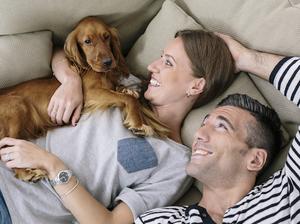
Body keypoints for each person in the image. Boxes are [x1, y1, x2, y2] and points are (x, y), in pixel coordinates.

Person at [0, 30, 236, 224]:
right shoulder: (124, 83)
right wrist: (70, 80)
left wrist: (52, 166)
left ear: (196, 86)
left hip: (16, 209)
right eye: (160, 56)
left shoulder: (176, 162)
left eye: (167, 62)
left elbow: (110, 222)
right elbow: (61, 49)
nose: (153, 66)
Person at [135, 34, 300, 224]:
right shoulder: (158, 220)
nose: (199, 134)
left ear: (254, 160)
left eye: (221, 126)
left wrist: (247, 59)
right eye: (204, 124)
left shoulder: (284, 196)